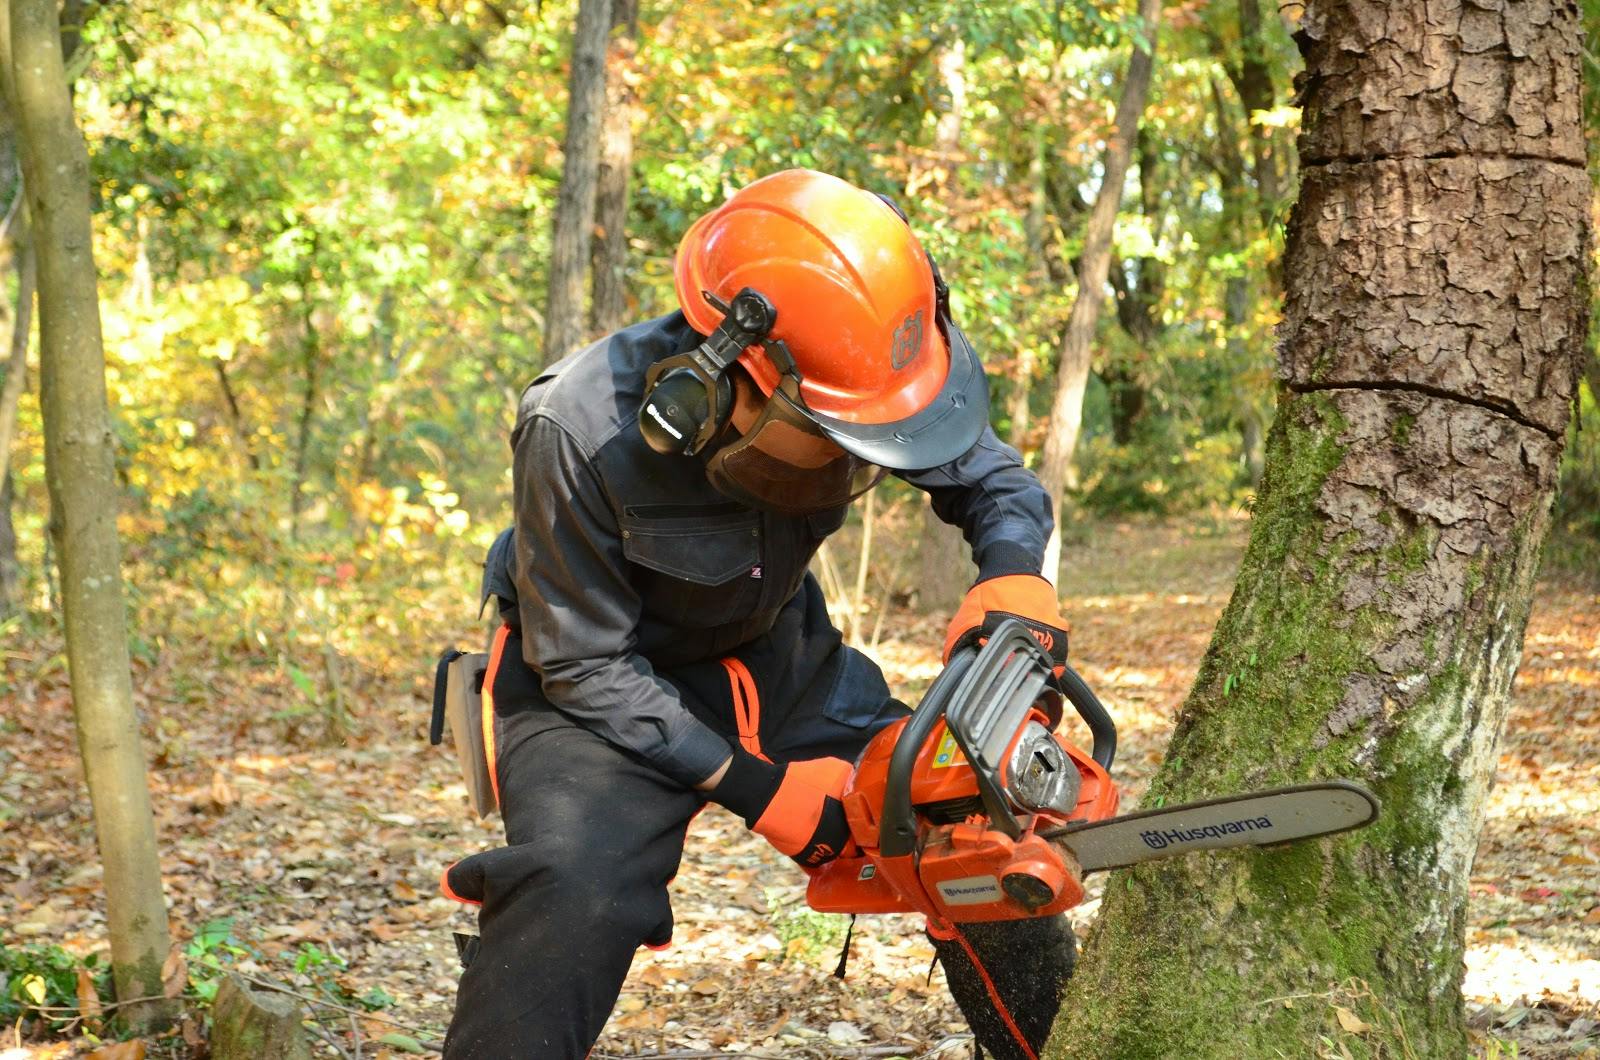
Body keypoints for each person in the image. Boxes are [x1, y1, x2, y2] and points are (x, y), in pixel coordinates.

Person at [440, 169, 1079, 1060]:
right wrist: (758, 788)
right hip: (589, 688)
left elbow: (994, 481)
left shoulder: (855, 371)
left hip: (776, 654)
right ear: (730, 380)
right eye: (832, 437)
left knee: (961, 819)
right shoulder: (575, 426)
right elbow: (583, 664)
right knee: (571, 887)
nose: (853, 457)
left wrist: (1013, 579)